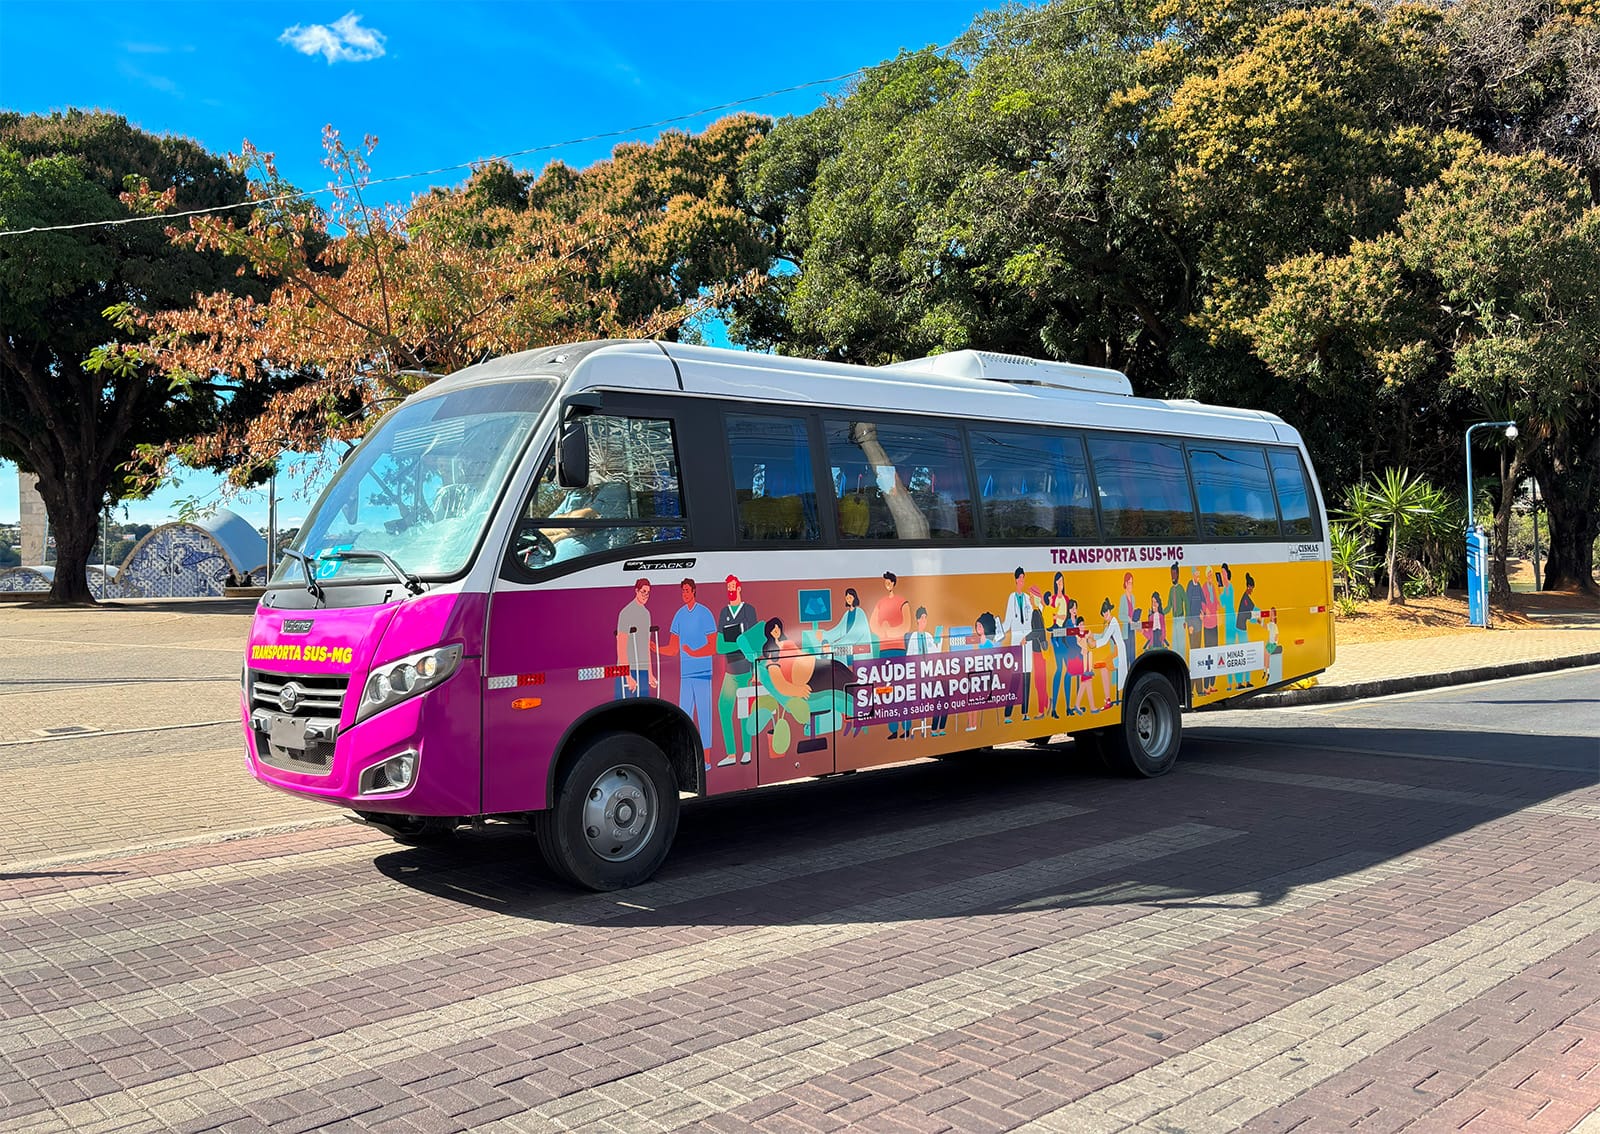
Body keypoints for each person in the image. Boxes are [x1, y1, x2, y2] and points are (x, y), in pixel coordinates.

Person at [654, 579, 717, 754]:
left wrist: (694, 652)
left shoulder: (705, 613)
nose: (685, 594)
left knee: (704, 717)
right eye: (683, 591)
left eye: (688, 590)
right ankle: (686, 755)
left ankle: (707, 759)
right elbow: (674, 649)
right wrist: (655, 648)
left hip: (703, 673)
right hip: (686, 674)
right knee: (684, 717)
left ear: (694, 591)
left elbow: (713, 646)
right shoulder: (679, 615)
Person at [714, 575, 759, 766]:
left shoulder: (749, 611)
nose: (731, 589)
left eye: (733, 586)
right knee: (723, 708)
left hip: (746, 671)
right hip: (730, 672)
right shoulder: (724, 612)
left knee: (744, 712)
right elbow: (718, 646)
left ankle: (747, 751)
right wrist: (740, 642)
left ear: (739, 588)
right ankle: (731, 754)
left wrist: (756, 669)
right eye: (728, 587)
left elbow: (755, 641)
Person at [869, 572, 912, 738]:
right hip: (883, 650)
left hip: (898, 649)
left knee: (901, 690)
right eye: (885, 583)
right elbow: (873, 624)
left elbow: (906, 625)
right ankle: (894, 729)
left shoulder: (902, 602)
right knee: (887, 691)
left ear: (894, 583)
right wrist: (882, 631)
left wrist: (889, 631)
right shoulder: (880, 603)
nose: (887, 585)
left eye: (889, 582)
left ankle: (907, 727)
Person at [997, 567, 1041, 722]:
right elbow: (1008, 622)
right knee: (1015, 678)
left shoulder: (1028, 599)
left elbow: (1035, 616)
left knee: (1026, 677)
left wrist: (1036, 601)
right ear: (1016, 579)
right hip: (1016, 642)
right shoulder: (1012, 598)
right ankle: (1008, 713)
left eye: (1023, 577)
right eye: (1020, 578)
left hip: (1026, 641)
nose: (1022, 580)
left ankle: (1025, 713)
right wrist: (998, 630)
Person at [904, 606, 946, 737]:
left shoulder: (928, 636)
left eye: (925, 618)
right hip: (917, 676)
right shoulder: (913, 637)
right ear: (917, 620)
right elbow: (909, 658)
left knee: (942, 695)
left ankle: (936, 727)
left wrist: (939, 641)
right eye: (922, 618)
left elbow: (936, 654)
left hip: (929, 674)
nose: (924, 620)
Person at [615, 579, 656, 699]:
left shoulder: (646, 614)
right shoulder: (626, 613)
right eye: (643, 591)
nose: (646, 595)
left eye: (648, 592)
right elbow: (621, 646)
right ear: (636, 591)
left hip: (642, 669)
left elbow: (645, 646)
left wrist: (650, 674)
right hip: (628, 669)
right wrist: (628, 676)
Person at [1093, 597, 1128, 710]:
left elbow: (1104, 640)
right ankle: (1108, 699)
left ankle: (1108, 700)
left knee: (1104, 667)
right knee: (1103, 665)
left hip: (1119, 653)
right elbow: (1102, 635)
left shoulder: (1113, 623)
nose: (1105, 616)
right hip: (1116, 652)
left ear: (1108, 612)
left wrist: (1094, 644)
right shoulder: (1110, 623)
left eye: (1106, 613)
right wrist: (1091, 635)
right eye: (1104, 615)